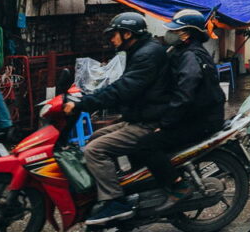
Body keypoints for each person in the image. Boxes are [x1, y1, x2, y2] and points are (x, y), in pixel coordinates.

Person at [64, 12, 170, 225]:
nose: (111, 39)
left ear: (127, 33)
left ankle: (116, 201)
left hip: (149, 121)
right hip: (139, 115)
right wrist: (88, 97)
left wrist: (85, 103)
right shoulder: (139, 50)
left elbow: (125, 88)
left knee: (95, 150)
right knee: (95, 138)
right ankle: (121, 185)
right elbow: (123, 86)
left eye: (114, 34)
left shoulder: (146, 54)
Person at [137, 10, 226, 206]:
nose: (170, 34)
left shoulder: (191, 57)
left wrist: (166, 123)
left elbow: (185, 95)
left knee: (146, 145)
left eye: (176, 30)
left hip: (202, 120)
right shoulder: (182, 52)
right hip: (201, 116)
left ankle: (178, 186)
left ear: (186, 34)